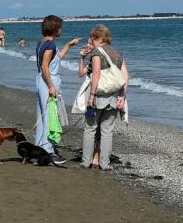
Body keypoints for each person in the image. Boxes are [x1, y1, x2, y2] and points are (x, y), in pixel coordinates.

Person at [79, 25, 127, 172]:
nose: (91, 42)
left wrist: (91, 95)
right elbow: (125, 76)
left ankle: (86, 161)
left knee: (90, 129)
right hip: (113, 96)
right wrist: (122, 96)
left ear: (99, 38)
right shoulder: (118, 53)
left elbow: (97, 74)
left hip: (98, 96)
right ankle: (104, 163)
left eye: (93, 39)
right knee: (107, 131)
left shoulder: (96, 52)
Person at [34, 15, 77, 168]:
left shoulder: (43, 42)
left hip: (41, 80)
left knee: (42, 114)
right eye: (60, 27)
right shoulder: (50, 46)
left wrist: (69, 45)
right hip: (48, 81)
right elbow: (45, 66)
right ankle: (48, 150)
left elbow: (56, 59)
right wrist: (51, 86)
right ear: (55, 28)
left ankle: (39, 148)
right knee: (50, 116)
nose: (61, 29)